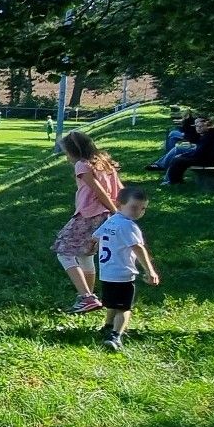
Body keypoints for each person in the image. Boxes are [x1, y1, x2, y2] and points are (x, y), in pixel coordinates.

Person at [52, 131, 124, 314]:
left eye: (66, 152)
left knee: (63, 251)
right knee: (86, 255)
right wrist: (119, 210)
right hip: (106, 215)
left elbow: (99, 191)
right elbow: (120, 189)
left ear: (74, 151)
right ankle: (87, 297)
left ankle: (86, 297)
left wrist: (116, 212)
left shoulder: (81, 165)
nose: (66, 156)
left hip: (89, 215)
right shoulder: (105, 164)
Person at [95, 186, 162, 352]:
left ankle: (108, 326)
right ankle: (115, 336)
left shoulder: (111, 221)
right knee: (124, 308)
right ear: (119, 204)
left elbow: (95, 237)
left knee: (112, 303)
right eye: (134, 207)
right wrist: (150, 270)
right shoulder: (128, 226)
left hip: (107, 272)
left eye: (143, 208)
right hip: (122, 274)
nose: (138, 211)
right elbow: (138, 248)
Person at [163, 117, 214, 184]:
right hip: (206, 158)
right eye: (197, 126)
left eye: (201, 126)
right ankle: (174, 180)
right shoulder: (206, 135)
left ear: (207, 127)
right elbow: (200, 151)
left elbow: (200, 153)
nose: (198, 128)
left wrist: (184, 155)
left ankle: (173, 181)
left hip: (208, 160)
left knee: (178, 160)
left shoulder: (208, 137)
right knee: (178, 159)